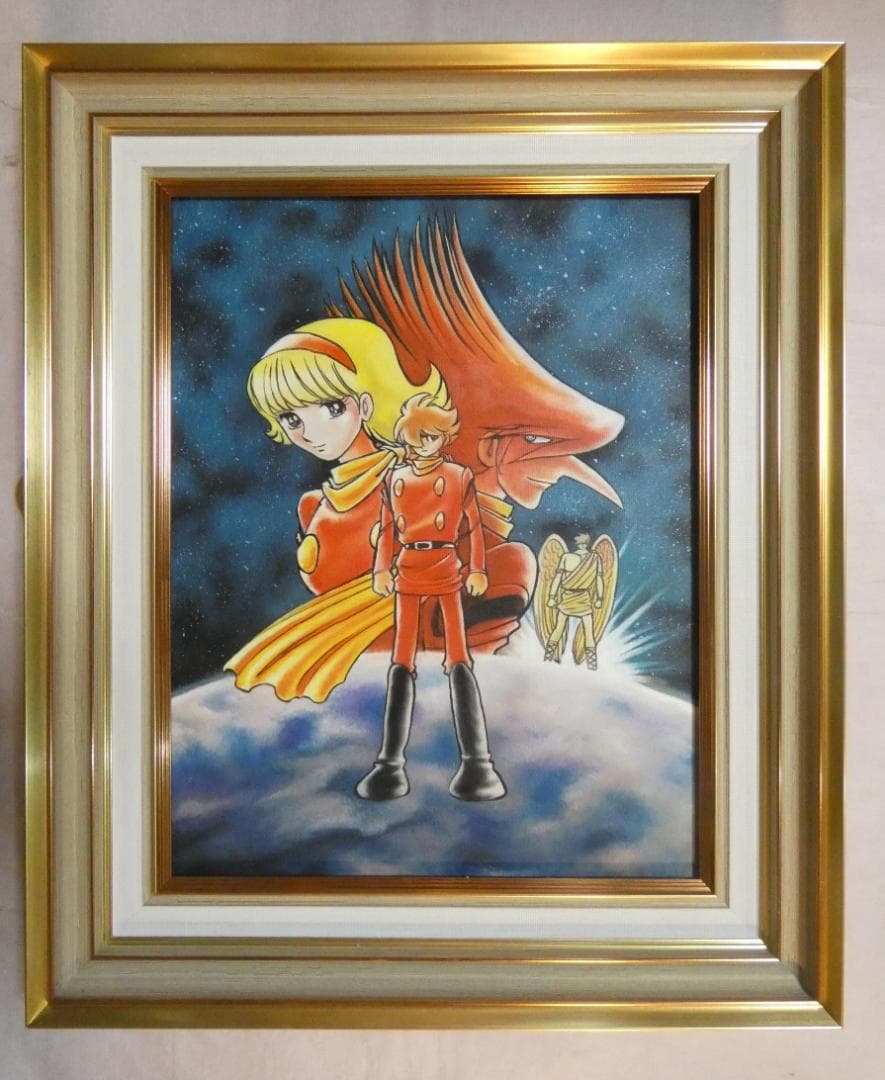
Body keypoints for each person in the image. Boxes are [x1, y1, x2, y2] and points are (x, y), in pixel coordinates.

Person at [355, 393, 507, 802]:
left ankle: (477, 763)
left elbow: (473, 526)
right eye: (419, 436)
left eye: (433, 436)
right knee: (401, 659)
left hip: (446, 566)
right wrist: (381, 568)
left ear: (443, 437)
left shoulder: (458, 477)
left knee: (458, 656)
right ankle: (389, 765)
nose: (425, 444)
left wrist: (477, 568)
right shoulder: (395, 479)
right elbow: (388, 527)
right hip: (408, 568)